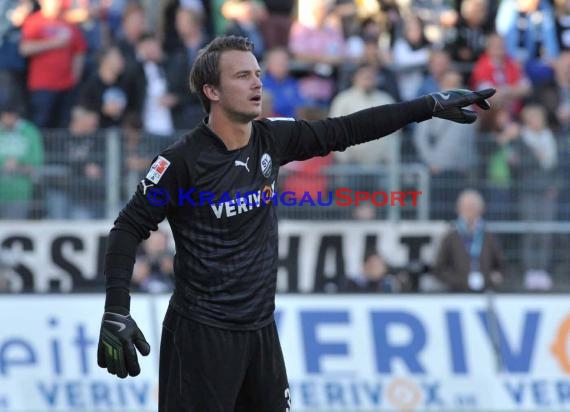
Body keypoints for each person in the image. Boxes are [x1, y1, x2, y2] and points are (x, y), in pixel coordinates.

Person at [96, 35, 495, 411]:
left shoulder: (272, 138)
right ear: (211, 92)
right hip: (201, 335)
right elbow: (128, 228)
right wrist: (117, 308)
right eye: (242, 76)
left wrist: (428, 105)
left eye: (257, 74)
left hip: (260, 331)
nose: (257, 84)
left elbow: (346, 129)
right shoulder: (180, 162)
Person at [433, 189, 505, 292]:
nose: (469, 213)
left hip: (485, 290)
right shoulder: (450, 237)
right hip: (457, 292)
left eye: (472, 208)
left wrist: (492, 278)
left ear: (480, 210)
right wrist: (459, 281)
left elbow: (501, 266)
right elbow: (439, 269)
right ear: (459, 210)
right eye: (465, 208)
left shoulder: (488, 237)